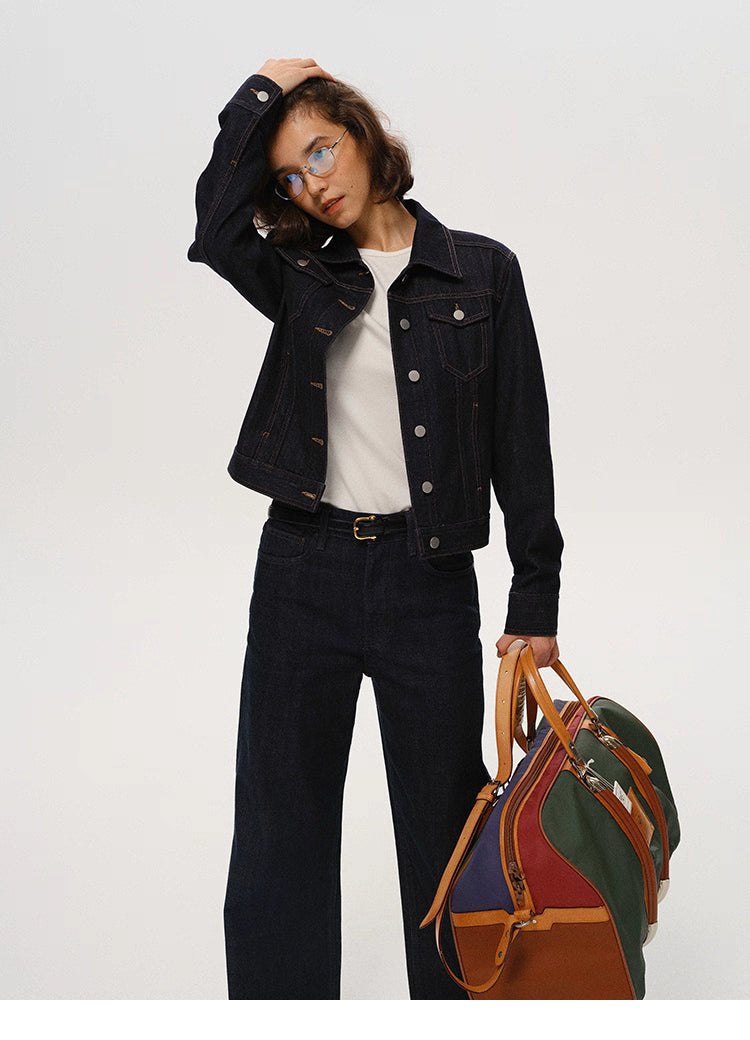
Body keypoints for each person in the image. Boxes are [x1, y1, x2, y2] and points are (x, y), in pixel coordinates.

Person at [187, 56, 564, 1000]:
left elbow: (521, 440)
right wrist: (262, 90)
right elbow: (215, 226)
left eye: (321, 150)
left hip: (426, 584)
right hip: (301, 571)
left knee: (446, 840)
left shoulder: (482, 270)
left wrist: (536, 598)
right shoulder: (299, 274)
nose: (312, 183)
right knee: (280, 830)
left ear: (362, 136)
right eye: (289, 175)